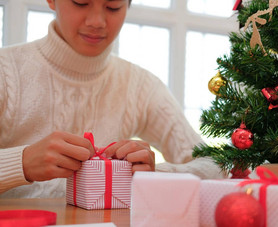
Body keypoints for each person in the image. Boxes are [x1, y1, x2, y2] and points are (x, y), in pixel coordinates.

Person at [0, 0, 224, 198]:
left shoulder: (139, 85)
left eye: (113, 6)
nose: (97, 21)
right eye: (80, 2)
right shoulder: (6, 71)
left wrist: (154, 173)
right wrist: (21, 163)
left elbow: (218, 165)